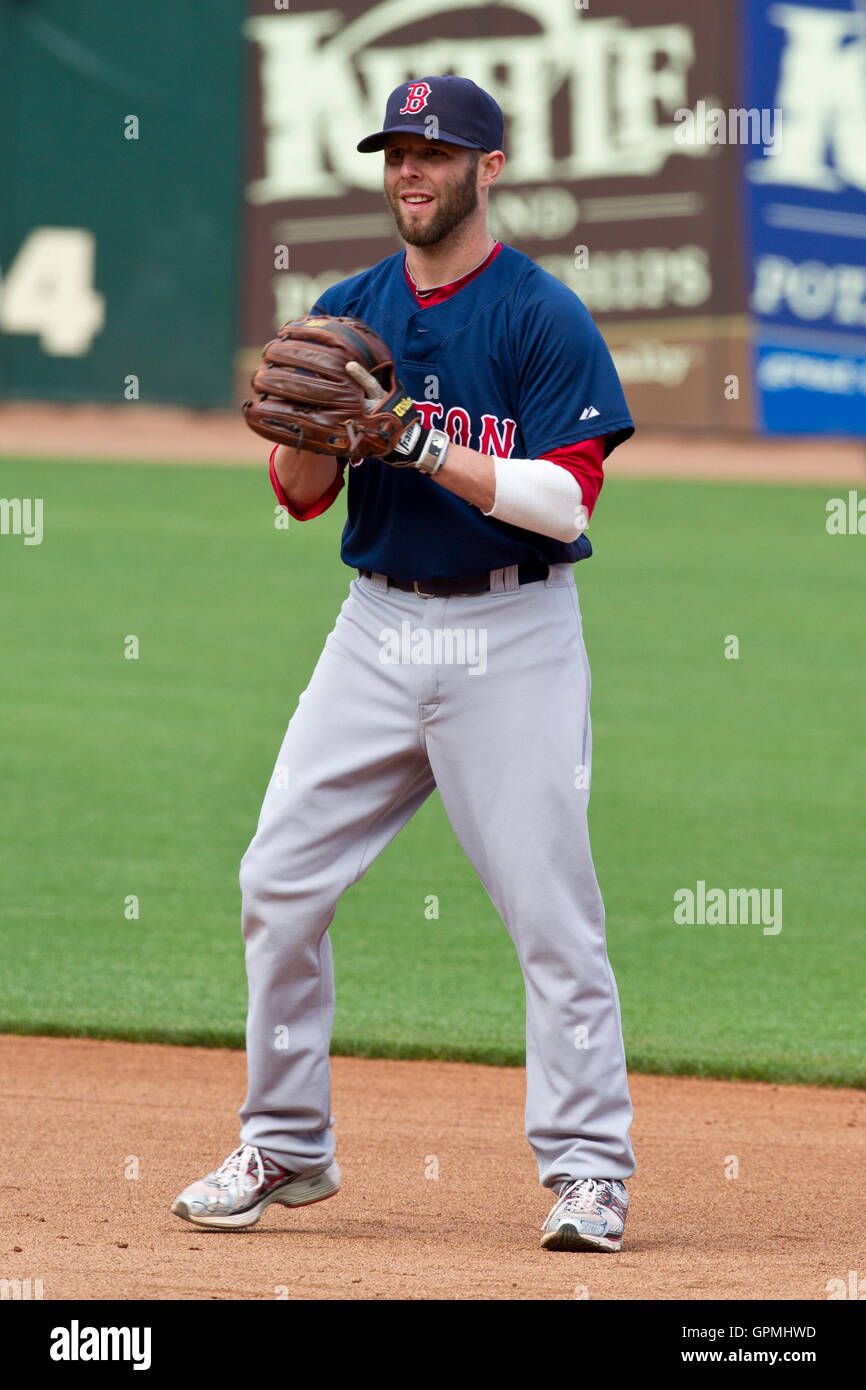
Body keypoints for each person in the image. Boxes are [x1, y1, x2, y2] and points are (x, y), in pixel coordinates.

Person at [172, 75, 636, 1253]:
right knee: (275, 881)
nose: (408, 172)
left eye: (434, 153)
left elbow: (561, 497)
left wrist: (415, 439)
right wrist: (312, 443)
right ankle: (285, 1141)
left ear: (489, 168)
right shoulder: (346, 308)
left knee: (550, 915)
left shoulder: (539, 316)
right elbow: (299, 496)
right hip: (374, 629)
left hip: (513, 637)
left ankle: (586, 1172)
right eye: (394, 152)